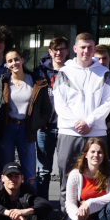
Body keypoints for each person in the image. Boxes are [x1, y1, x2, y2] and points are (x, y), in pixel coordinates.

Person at [53, 33, 110, 208]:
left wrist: (89, 121)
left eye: (89, 47)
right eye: (82, 47)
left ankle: (96, 215)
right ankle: (67, 215)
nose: (86, 51)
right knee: (67, 176)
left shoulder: (104, 73)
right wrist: (76, 123)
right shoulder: (64, 72)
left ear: (94, 49)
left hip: (96, 132)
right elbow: (60, 103)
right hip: (69, 132)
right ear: (75, 49)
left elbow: (108, 102)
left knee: (98, 176)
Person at [0, 49, 52, 183]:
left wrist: (35, 124)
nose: (14, 63)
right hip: (8, 128)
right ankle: (8, 196)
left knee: (29, 172)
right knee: (7, 169)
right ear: (6, 64)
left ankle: (30, 196)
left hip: (27, 129)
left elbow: (46, 109)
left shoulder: (36, 81)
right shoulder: (3, 81)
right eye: (10, 61)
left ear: (22, 60)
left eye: (16, 59)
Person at [33, 36, 68, 199]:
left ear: (67, 51)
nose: (58, 53)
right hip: (44, 128)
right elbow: (33, 99)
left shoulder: (72, 70)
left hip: (65, 129)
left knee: (65, 170)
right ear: (50, 52)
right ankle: (42, 206)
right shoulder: (40, 72)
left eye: (62, 49)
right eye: (55, 49)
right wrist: (39, 121)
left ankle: (66, 206)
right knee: (43, 171)